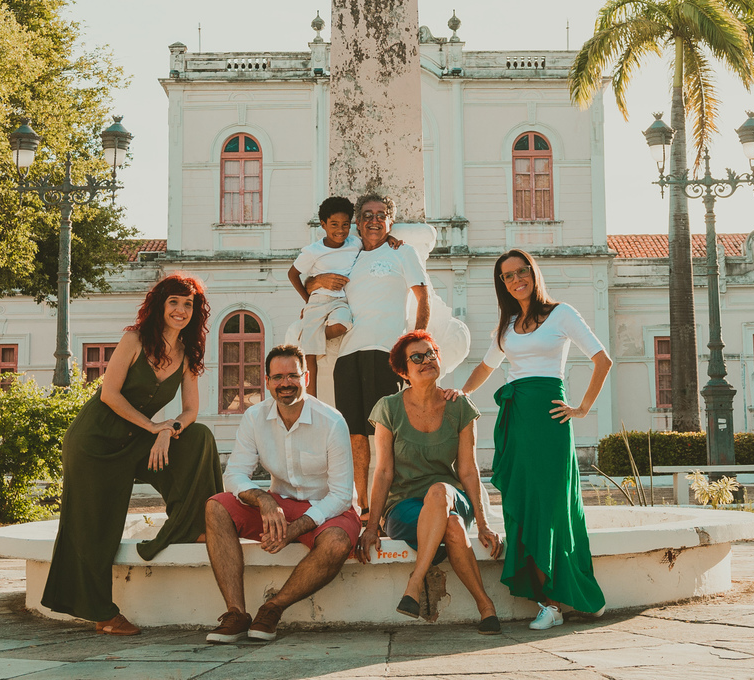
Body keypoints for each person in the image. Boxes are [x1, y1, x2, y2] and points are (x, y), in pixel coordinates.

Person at [41, 273, 224, 636]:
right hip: (95, 440)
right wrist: (153, 428)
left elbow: (190, 412)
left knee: (198, 438)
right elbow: (109, 394)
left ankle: (194, 525)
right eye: (174, 301)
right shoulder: (134, 339)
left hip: (137, 437)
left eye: (188, 304)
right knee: (97, 525)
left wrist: (167, 431)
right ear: (160, 305)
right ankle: (102, 613)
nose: (181, 310)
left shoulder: (187, 353)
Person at [462, 250, 613, 631]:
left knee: (552, 508)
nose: (515, 280)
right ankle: (549, 603)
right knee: (522, 505)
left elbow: (602, 359)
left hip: (549, 420)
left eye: (520, 271)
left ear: (532, 272)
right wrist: (461, 394)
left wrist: (581, 408)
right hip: (517, 420)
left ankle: (569, 594)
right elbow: (486, 366)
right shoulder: (508, 325)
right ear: (503, 284)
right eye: (507, 276)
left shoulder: (561, 313)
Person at [203, 344, 360, 643]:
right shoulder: (254, 417)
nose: (285, 383)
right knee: (216, 507)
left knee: (337, 542)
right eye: (277, 377)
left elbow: (340, 494)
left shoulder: (332, 421)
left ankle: (273, 608)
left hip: (329, 510)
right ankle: (236, 614)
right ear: (267, 381)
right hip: (279, 504)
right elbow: (234, 475)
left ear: (307, 377)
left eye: (292, 376)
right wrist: (263, 500)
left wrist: (296, 529)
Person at [357, 331, 503, 635]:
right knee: (450, 525)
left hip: (451, 496)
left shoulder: (460, 407)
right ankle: (486, 607)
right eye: (417, 357)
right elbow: (383, 471)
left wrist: (484, 522)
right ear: (403, 371)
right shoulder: (389, 408)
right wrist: (371, 527)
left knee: (440, 492)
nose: (427, 360)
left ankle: (414, 584)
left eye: (431, 354)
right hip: (405, 508)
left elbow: (468, 470)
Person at [307, 193, 429, 517]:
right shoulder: (348, 257)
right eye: (367, 215)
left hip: (386, 352)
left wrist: (416, 347)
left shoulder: (403, 252)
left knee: (385, 434)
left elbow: (422, 297)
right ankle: (362, 506)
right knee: (354, 434)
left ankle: (390, 506)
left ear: (389, 221)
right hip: (348, 355)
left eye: (380, 215)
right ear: (358, 224)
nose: (374, 220)